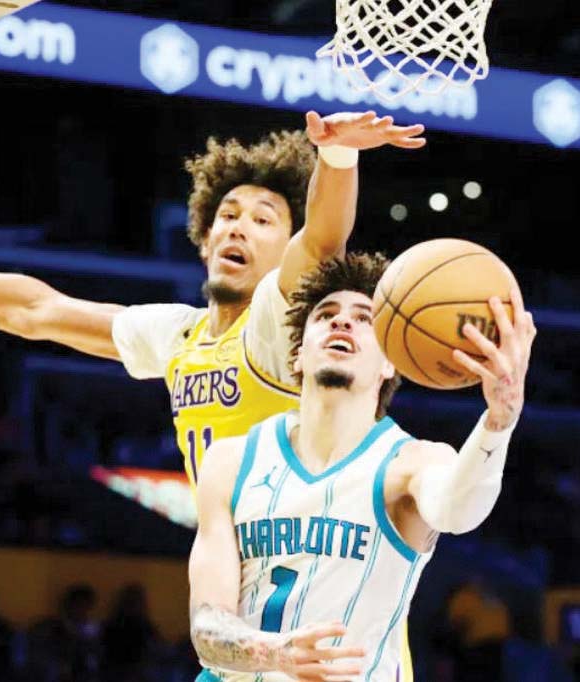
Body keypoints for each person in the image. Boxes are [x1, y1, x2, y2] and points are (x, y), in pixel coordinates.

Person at [0, 111, 424, 488]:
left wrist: (337, 157)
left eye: (263, 220)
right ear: (204, 240)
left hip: (320, 557)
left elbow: (323, 239)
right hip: (238, 578)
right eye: (228, 214)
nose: (238, 226)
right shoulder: (178, 335)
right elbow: (34, 310)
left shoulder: (275, 326)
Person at [187, 253, 535, 681]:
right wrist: (275, 653)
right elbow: (206, 630)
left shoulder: (411, 464)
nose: (341, 323)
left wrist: (498, 424)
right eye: (326, 314)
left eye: (363, 319)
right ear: (297, 355)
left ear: (391, 361)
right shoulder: (231, 460)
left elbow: (459, 512)